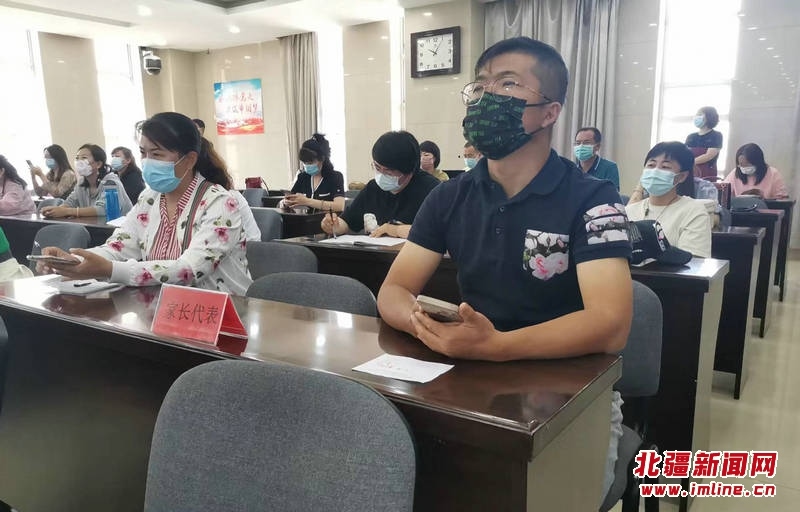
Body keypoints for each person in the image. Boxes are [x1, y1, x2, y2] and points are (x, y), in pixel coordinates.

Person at [375, 37, 631, 502]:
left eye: (507, 84)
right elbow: (393, 291)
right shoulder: (449, 196)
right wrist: (428, 327)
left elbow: (611, 325)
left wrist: (497, 347)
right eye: (480, 85)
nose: (486, 96)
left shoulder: (595, 199)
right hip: (469, 380)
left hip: (570, 396)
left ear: (549, 112)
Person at [37, 112, 252, 296]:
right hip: (165, 308)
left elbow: (189, 269)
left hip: (221, 313)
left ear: (189, 160)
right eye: (143, 153)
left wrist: (110, 270)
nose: (147, 161)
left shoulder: (220, 203)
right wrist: (74, 261)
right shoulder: (150, 198)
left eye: (156, 154)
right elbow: (118, 247)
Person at [321, 131, 440, 239]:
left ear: (409, 171)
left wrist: (395, 230)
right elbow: (348, 222)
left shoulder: (433, 190)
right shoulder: (373, 188)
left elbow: (437, 232)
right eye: (377, 168)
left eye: (388, 171)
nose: (382, 174)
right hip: (377, 253)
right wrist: (334, 225)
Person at [625, 142, 711, 257]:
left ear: (682, 176)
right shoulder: (629, 211)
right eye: (651, 165)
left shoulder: (694, 211)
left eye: (665, 167)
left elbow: (693, 261)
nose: (655, 171)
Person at [40, 144, 132, 219]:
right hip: (97, 227)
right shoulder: (81, 183)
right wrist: (55, 210)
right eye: (77, 158)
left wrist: (69, 211)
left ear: (98, 164)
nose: (79, 162)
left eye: (84, 158)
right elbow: (69, 203)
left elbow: (103, 209)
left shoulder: (111, 181)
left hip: (121, 230)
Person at [283, 133, 346, 212]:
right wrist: (286, 202)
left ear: (322, 159)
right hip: (305, 219)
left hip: (326, 219)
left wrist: (307, 201)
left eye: (310, 163)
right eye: (304, 163)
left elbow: (339, 206)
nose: (307, 166)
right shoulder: (302, 177)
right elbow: (292, 197)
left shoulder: (335, 177)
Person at [722, 143, 789, 199]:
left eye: (748, 164)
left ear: (757, 161)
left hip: (766, 210)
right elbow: (723, 193)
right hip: (739, 210)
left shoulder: (773, 174)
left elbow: (782, 199)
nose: (744, 167)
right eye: (741, 165)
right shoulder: (735, 173)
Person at [685, 106, 723, 179]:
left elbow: (709, 156)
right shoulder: (691, 136)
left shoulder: (716, 135)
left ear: (709, 117)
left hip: (707, 172)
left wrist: (690, 162)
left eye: (699, 114)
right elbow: (685, 154)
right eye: (696, 115)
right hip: (690, 171)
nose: (696, 117)